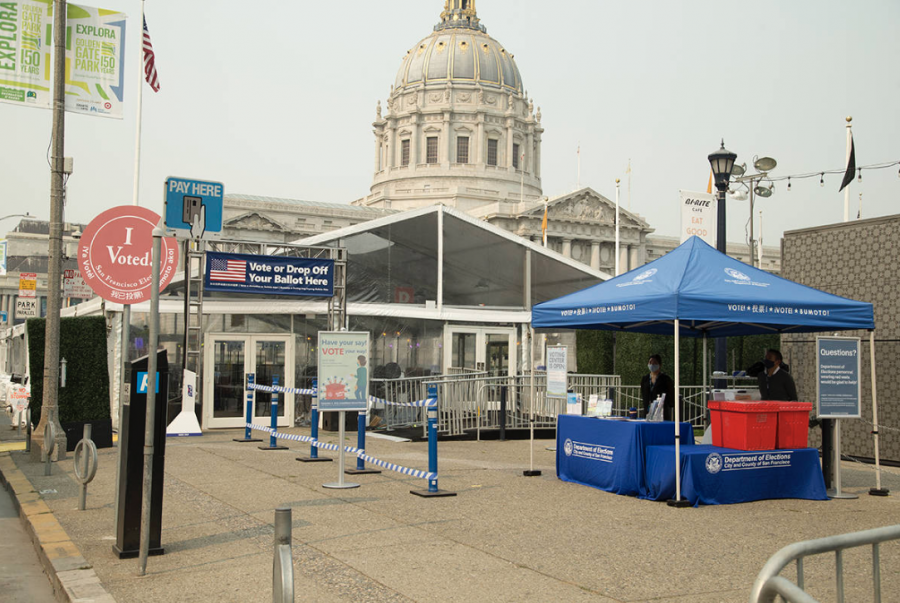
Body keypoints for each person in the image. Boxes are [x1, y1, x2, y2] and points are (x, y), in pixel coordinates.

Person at [641, 354, 676, 421]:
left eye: (655, 363)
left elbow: (671, 394)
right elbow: (643, 393)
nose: (652, 365)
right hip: (648, 410)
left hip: (662, 410)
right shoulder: (645, 379)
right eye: (650, 363)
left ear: (659, 365)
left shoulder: (665, 379)